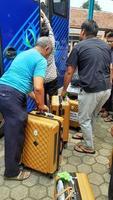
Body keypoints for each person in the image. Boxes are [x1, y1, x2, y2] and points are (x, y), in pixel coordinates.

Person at [0, 36, 53, 180]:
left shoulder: (24, 53)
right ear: (47, 49)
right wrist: (41, 105)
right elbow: (38, 87)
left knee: (14, 130)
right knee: (14, 135)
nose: (48, 57)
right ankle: (12, 172)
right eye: (50, 53)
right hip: (11, 96)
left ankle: (17, 162)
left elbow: (26, 84)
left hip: (3, 90)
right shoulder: (41, 59)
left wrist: (36, 99)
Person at [62, 20, 111, 154]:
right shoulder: (106, 46)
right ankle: (86, 135)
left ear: (83, 31)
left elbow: (69, 71)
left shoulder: (79, 46)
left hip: (92, 89)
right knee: (93, 114)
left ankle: (89, 146)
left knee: (83, 118)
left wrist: (64, 91)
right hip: (107, 88)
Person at [41, 10, 58, 105]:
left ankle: (44, 116)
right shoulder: (52, 42)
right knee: (54, 101)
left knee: (42, 101)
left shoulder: (38, 47)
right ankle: (54, 115)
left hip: (42, 79)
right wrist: (44, 16)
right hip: (52, 77)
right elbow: (50, 29)